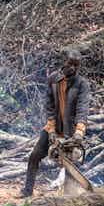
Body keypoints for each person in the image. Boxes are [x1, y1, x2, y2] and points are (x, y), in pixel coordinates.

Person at [21, 49, 90, 197]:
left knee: (70, 165)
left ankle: (69, 196)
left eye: (76, 65)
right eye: (71, 64)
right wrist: (51, 129)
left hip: (70, 130)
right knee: (35, 155)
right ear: (64, 61)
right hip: (53, 126)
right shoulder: (53, 79)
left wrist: (79, 131)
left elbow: (82, 109)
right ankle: (27, 191)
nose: (73, 68)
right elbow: (49, 105)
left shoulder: (82, 84)